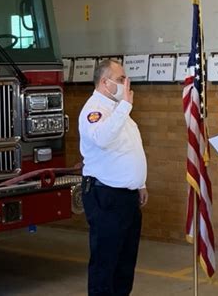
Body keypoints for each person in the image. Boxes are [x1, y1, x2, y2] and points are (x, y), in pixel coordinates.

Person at [79, 59, 148, 296]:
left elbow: (127, 148)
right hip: (106, 196)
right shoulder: (95, 109)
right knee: (105, 261)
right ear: (104, 82)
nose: (125, 84)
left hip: (127, 197)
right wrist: (124, 108)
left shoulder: (118, 109)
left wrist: (140, 183)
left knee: (125, 262)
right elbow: (102, 138)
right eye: (120, 79)